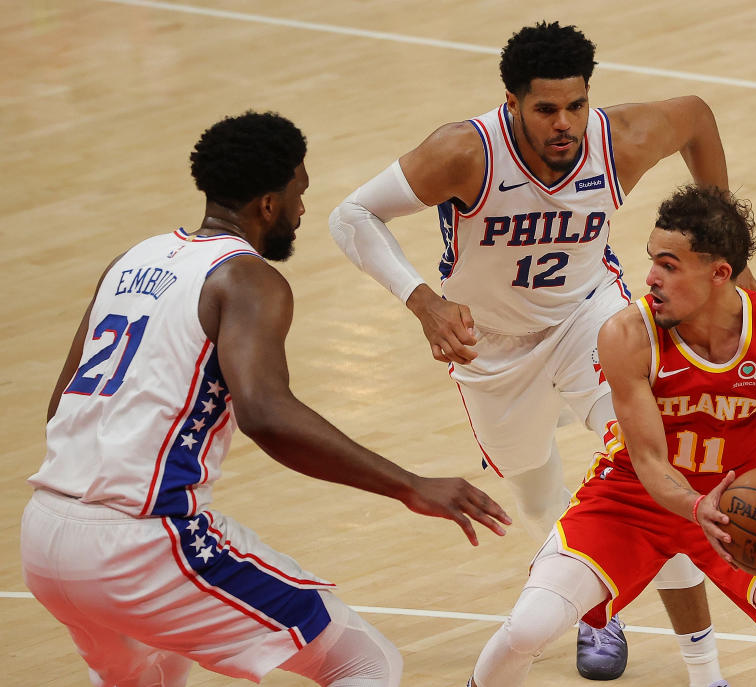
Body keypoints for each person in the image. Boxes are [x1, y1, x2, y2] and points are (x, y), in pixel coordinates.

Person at [20, 111, 511, 687]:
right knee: (361, 661)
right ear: (269, 205)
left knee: (149, 673)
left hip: (45, 539)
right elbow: (267, 415)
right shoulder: (247, 279)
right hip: (139, 544)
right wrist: (409, 484)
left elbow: (62, 405)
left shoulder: (130, 260)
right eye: (299, 193)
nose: (303, 210)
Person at [329, 21, 751, 685]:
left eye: (576, 106)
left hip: (592, 318)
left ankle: (706, 670)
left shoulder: (620, 142)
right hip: (490, 349)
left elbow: (697, 117)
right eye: (546, 109)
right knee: (533, 493)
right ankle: (593, 604)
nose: (565, 124)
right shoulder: (466, 152)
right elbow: (351, 216)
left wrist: (725, 244)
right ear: (512, 103)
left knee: (655, 471)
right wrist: (424, 302)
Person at [468, 185, 756, 687]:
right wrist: (697, 506)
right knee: (527, 628)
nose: (651, 278)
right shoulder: (626, 335)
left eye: (670, 265)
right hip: (631, 499)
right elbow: (653, 464)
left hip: (742, 508)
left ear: (719, 273)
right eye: (652, 260)